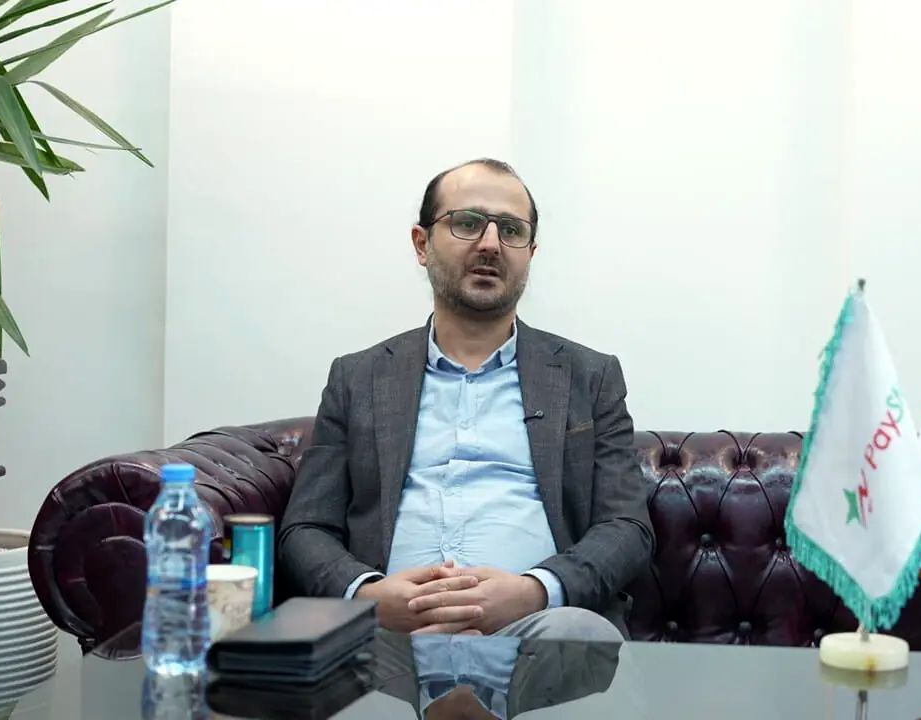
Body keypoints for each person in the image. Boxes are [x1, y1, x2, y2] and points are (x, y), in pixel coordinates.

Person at [278, 158, 654, 644]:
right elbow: (306, 528)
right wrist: (368, 596)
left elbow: (626, 526)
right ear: (422, 243)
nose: (491, 244)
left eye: (511, 230)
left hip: (539, 636)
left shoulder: (590, 377)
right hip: (388, 638)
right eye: (468, 223)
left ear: (530, 253)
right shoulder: (358, 378)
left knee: (581, 634)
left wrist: (536, 591)